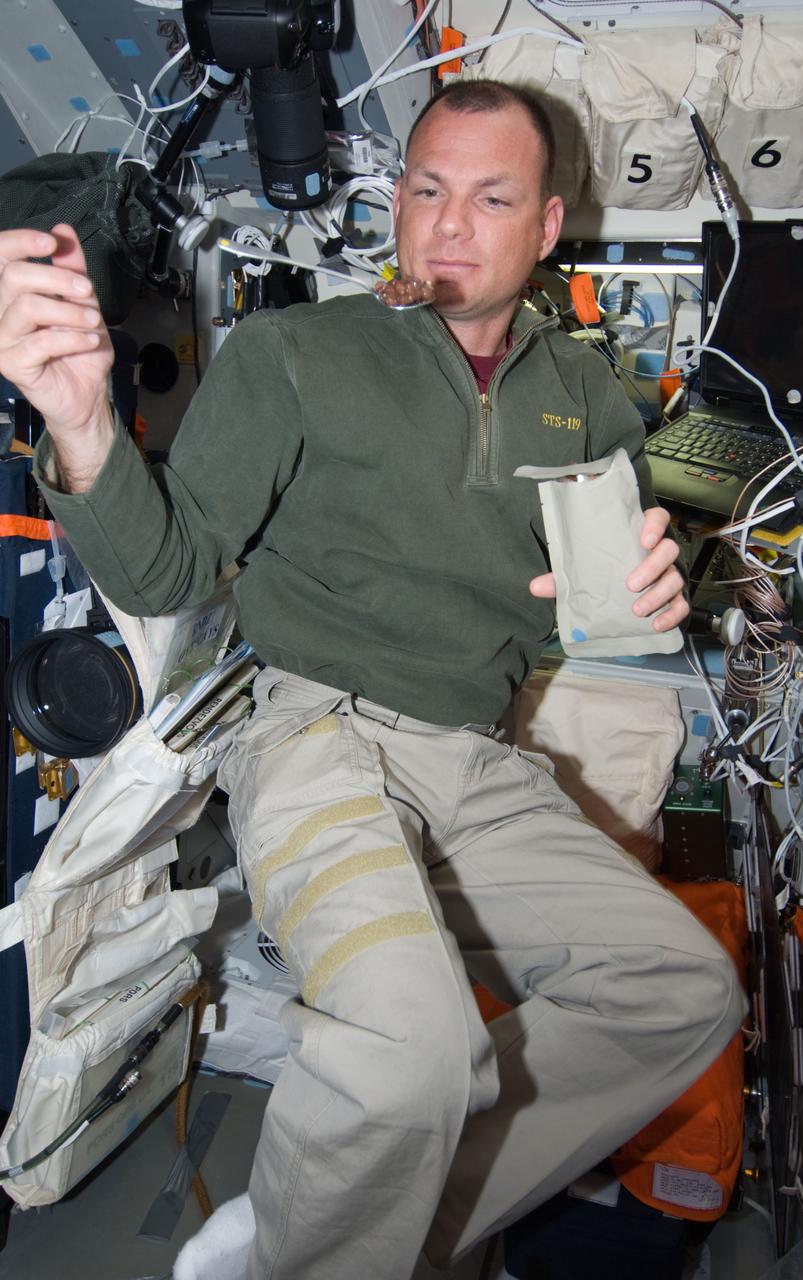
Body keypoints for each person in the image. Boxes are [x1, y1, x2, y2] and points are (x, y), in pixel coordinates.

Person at [0, 82, 745, 1280]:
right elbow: (167, 567)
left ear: (547, 226)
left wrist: (662, 591)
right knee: (410, 1054)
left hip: (478, 753)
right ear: (396, 202)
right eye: (426, 188)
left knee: (682, 991)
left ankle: (357, 1222)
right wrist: (82, 422)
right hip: (314, 728)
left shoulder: (588, 395)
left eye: (491, 198)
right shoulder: (296, 353)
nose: (448, 223)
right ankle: (324, 1244)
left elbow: (616, 587)